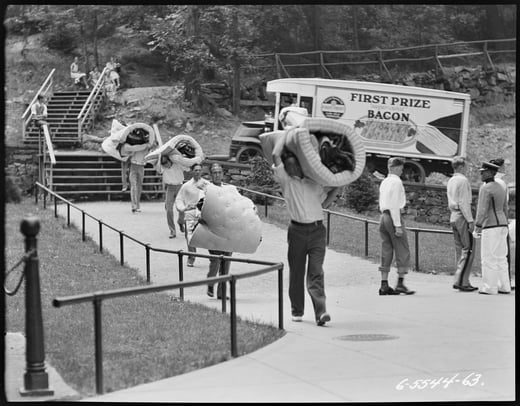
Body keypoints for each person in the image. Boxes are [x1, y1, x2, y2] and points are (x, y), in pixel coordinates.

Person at [272, 131, 340, 326]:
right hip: (297, 232)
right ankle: (297, 310)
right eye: (291, 162)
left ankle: (321, 312)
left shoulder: (315, 183)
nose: (293, 165)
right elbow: (276, 155)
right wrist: (287, 135)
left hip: (318, 231)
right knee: (296, 272)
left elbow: (323, 205)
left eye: (296, 162)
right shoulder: (287, 181)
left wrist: (337, 188)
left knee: (316, 271)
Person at [377, 157, 415, 296]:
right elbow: (394, 204)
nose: (402, 170)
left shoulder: (385, 181)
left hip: (383, 216)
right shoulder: (397, 182)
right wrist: (398, 225)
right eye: (400, 168)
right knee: (402, 249)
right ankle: (400, 282)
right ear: (395, 168)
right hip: (393, 216)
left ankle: (384, 284)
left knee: (386, 249)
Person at [474, 160, 510, 295]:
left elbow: (482, 209)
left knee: (488, 257)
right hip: (502, 224)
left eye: (482, 172)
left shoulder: (486, 188)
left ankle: (489, 287)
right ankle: (504, 286)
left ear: (490, 173)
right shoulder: (501, 187)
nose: (480, 174)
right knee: (501, 257)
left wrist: (478, 225)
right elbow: (505, 208)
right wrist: (505, 222)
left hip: (490, 225)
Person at [206, 163, 237, 299]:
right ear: (211, 175)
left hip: (228, 231)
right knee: (216, 261)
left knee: (226, 263)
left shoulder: (231, 189)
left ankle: (221, 293)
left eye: (219, 172)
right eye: (215, 172)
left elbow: (238, 204)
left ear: (223, 174)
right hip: (214, 231)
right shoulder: (207, 189)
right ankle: (210, 283)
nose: (217, 175)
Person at [446, 156, 477, 292]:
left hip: (453, 214)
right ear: (460, 167)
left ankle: (460, 278)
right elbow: (464, 202)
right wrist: (470, 220)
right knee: (468, 249)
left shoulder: (451, 180)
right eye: (465, 166)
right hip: (462, 216)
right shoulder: (463, 181)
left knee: (459, 249)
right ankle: (462, 281)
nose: (467, 169)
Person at [175, 163, 210, 266]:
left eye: (199, 170)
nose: (198, 172)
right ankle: (191, 257)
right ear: (192, 171)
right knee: (189, 237)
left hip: (203, 213)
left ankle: (214, 257)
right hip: (190, 213)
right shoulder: (186, 186)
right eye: (196, 170)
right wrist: (183, 208)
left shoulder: (207, 184)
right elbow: (179, 199)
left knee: (208, 236)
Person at [489, 158, 514, 290]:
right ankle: (504, 282)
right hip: (500, 220)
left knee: (493, 254)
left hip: (491, 220)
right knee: (502, 254)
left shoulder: (489, 183)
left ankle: (497, 282)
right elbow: (504, 205)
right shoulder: (502, 183)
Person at [121, 129, 153, 213]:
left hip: (141, 166)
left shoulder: (145, 146)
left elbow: (151, 146)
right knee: (134, 186)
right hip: (133, 166)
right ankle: (134, 206)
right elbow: (127, 148)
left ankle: (137, 205)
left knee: (139, 186)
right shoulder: (131, 146)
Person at [156, 153, 186, 238]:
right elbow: (158, 169)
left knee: (182, 208)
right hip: (170, 187)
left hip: (180, 186)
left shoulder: (177, 164)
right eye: (164, 164)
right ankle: (172, 230)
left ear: (170, 161)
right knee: (169, 209)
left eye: (167, 163)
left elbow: (186, 167)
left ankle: (181, 221)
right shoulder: (163, 168)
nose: (167, 165)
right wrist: (159, 156)